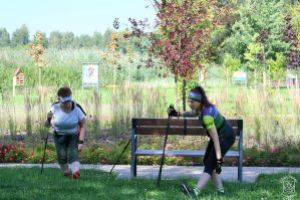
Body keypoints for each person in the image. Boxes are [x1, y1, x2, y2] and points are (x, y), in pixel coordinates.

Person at [168, 85, 236, 198]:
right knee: (208, 161)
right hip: (220, 135)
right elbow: (192, 113)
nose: (190, 104)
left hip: (225, 136)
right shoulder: (201, 108)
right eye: (189, 101)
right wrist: (177, 113)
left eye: (193, 102)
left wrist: (219, 158)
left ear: (200, 101)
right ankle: (221, 192)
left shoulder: (207, 116)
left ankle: (194, 192)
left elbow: (215, 138)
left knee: (210, 163)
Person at [45, 86, 86, 179]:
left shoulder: (77, 108)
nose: (67, 104)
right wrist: (48, 119)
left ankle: (76, 173)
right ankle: (66, 171)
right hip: (59, 135)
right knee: (61, 156)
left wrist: (81, 142)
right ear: (59, 100)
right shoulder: (54, 107)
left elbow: (83, 125)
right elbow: (46, 124)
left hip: (73, 135)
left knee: (73, 153)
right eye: (64, 102)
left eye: (68, 102)